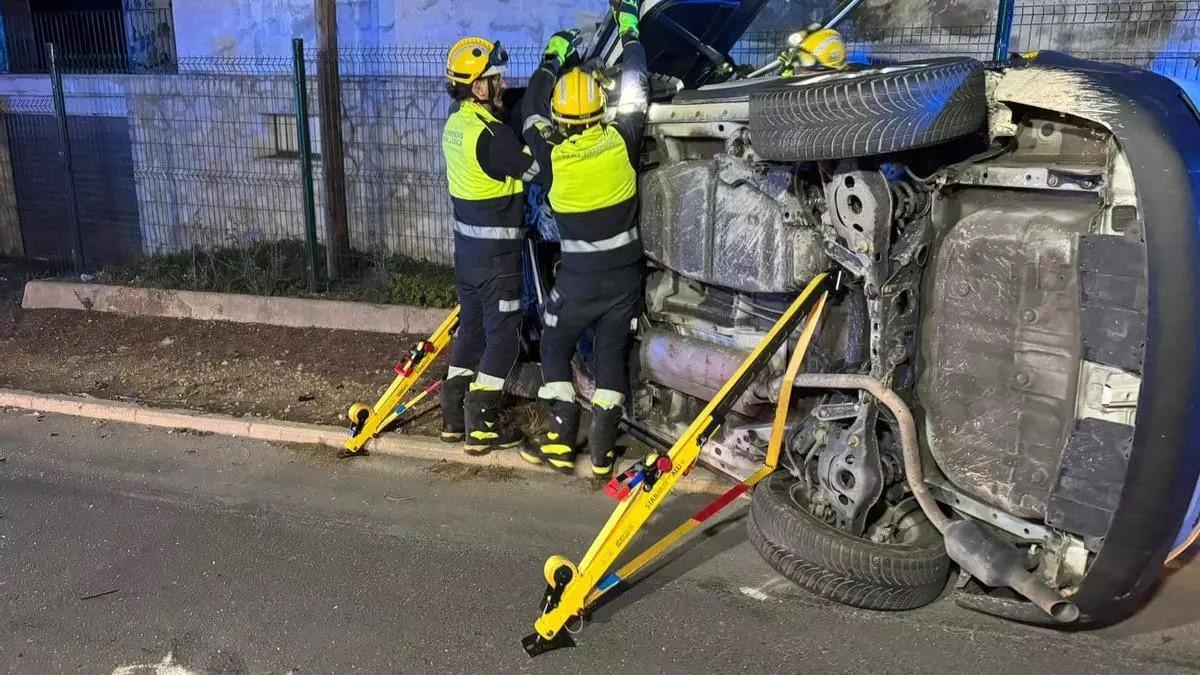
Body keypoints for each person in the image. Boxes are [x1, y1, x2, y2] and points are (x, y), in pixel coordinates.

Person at [518, 0, 648, 478]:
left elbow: (532, 106)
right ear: (599, 111)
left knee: (555, 345)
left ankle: (560, 434)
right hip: (625, 282)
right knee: (611, 354)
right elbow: (636, 81)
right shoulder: (624, 138)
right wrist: (631, 27)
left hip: (577, 283)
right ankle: (601, 452)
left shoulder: (552, 158)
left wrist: (554, 56)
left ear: (561, 121)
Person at [440, 36, 539, 455]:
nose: (503, 85)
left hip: (467, 254)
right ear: (479, 87)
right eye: (496, 79)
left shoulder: (455, 124)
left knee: (474, 330)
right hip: (498, 258)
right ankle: (480, 425)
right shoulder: (495, 136)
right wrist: (540, 127)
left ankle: (452, 416)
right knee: (503, 338)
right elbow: (535, 169)